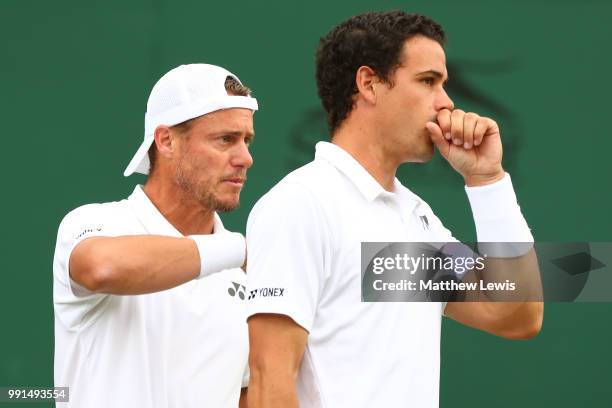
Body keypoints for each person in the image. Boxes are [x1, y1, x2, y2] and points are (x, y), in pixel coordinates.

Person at [245, 11, 543, 408]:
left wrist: (487, 181)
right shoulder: (301, 205)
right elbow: (269, 384)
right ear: (369, 84)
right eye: (427, 81)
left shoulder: (416, 219)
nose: (446, 102)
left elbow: (517, 313)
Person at [53, 63, 257, 408]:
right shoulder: (92, 222)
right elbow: (101, 268)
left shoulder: (247, 267)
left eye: (247, 140)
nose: (245, 158)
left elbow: (245, 393)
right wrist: (241, 251)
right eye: (226, 140)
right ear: (166, 141)